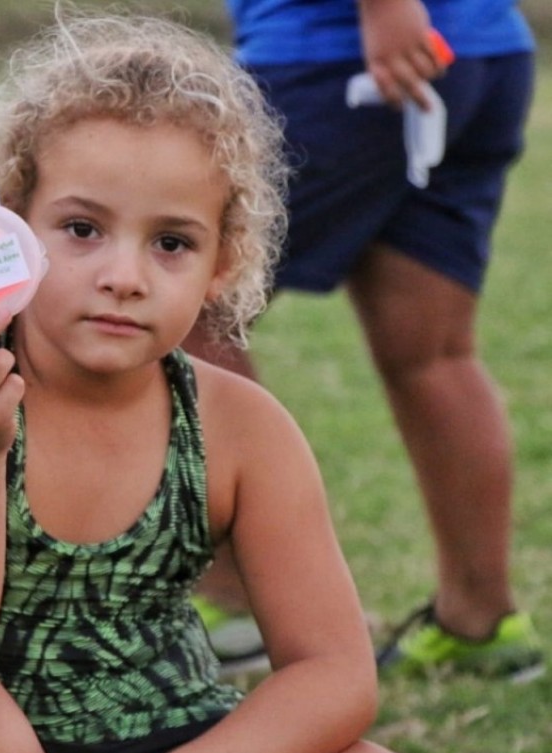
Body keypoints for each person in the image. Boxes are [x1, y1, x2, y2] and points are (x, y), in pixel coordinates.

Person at [0, 11, 488, 753]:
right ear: (9, 226)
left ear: (222, 266)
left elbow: (335, 674)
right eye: (81, 229)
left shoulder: (238, 425)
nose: (123, 277)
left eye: (171, 243)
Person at [187, 0, 544, 681]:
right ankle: (480, 621)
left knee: (180, 311)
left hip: (348, 57)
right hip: (481, 50)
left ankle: (234, 609)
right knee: (433, 351)